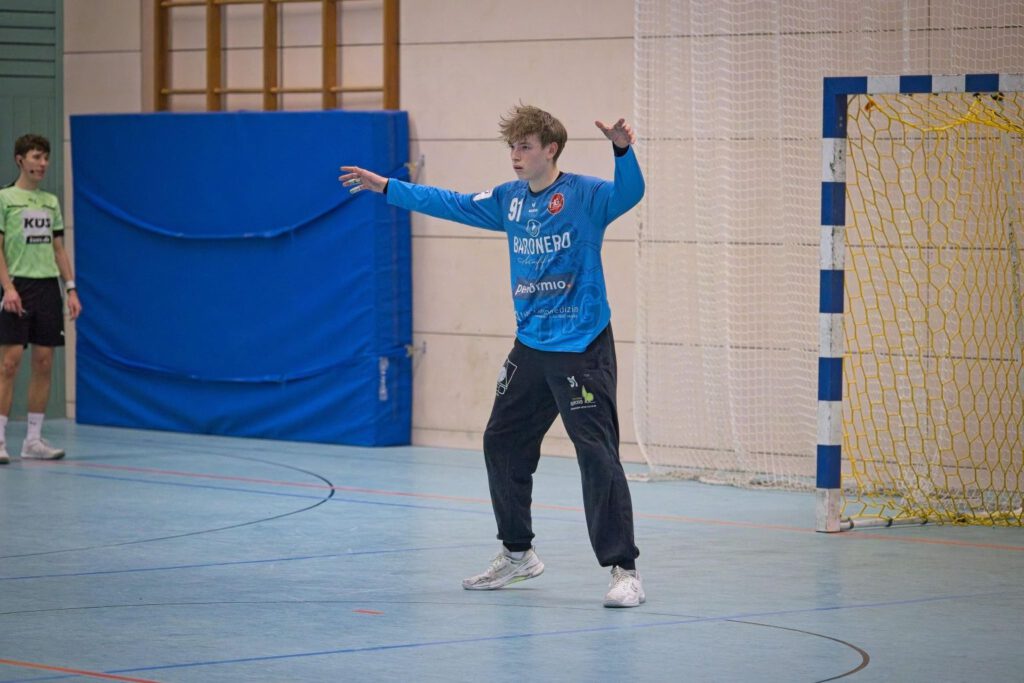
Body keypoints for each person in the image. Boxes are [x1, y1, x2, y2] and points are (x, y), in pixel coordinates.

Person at [340, 105, 645, 607]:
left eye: (525, 146)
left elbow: (629, 194)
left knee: (596, 454)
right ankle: (518, 552)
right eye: (512, 147)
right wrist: (388, 187)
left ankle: (624, 570)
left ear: (551, 149)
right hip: (532, 345)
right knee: (501, 440)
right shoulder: (509, 200)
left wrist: (622, 150)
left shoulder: (585, 195)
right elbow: (452, 203)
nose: (515, 156)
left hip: (581, 347)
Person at [0, 134, 80, 465]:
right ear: (20, 160)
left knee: (44, 362)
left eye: (46, 157)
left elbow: (58, 249)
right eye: (36, 157)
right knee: (9, 363)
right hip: (17, 286)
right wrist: (8, 288)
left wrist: (71, 288)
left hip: (48, 287)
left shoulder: (50, 202)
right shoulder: (5, 198)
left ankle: (33, 440)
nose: (43, 163)